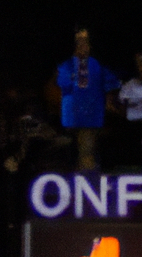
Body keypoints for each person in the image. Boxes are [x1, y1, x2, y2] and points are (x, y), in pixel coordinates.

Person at [56, 27, 120, 170]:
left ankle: (90, 173)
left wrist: (109, 99)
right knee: (84, 148)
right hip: (74, 116)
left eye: (85, 41)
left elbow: (111, 82)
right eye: (79, 41)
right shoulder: (66, 66)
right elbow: (63, 84)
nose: (82, 45)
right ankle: (85, 174)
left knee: (89, 147)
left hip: (92, 116)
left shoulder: (97, 65)